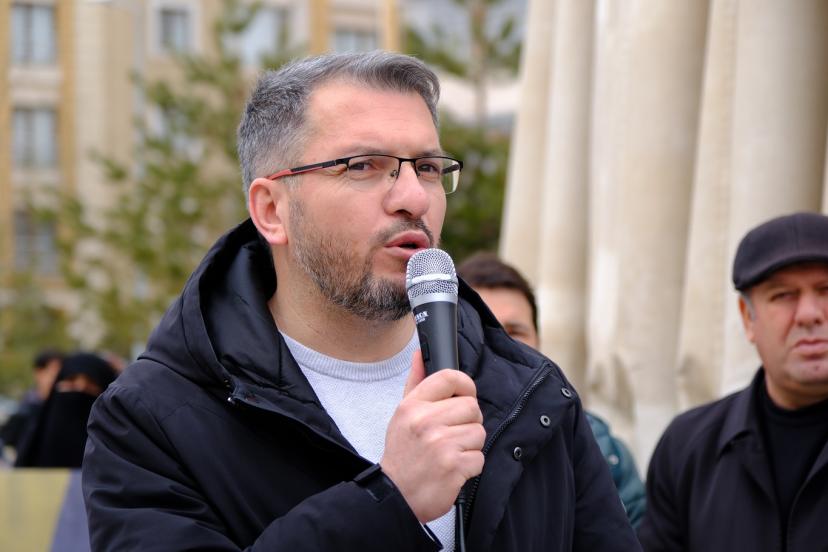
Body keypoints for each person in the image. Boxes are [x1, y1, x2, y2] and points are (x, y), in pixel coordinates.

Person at [82, 51, 639, 551]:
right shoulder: (151, 419)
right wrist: (390, 500)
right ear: (272, 210)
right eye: (363, 166)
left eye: (427, 167)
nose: (413, 197)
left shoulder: (530, 392)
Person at [638, 212, 828, 552]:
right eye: (783, 295)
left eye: (826, 290)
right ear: (747, 318)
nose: (809, 314)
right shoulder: (688, 448)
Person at [456, 252, 647, 528]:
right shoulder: (428, 436)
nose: (501, 345)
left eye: (515, 332)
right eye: (483, 329)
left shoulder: (601, 446)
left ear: (538, 340)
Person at [15, 351, 117, 468]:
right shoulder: (31, 427)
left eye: (91, 382)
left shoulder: (118, 448)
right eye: (71, 380)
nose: (80, 387)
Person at [0, 348, 62, 457]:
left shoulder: (64, 410)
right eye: (52, 371)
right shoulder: (25, 410)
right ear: (38, 372)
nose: (57, 377)